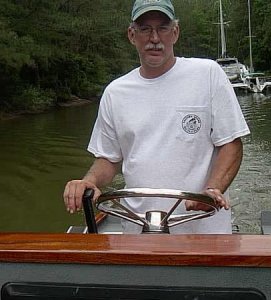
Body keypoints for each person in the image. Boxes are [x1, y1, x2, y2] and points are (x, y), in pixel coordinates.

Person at [63, 0, 250, 234]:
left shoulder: (208, 74)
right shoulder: (115, 93)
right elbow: (109, 159)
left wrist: (211, 191)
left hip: (204, 232)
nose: (154, 38)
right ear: (132, 35)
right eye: (145, 29)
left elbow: (231, 143)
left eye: (162, 28)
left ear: (175, 32)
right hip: (136, 232)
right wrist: (88, 181)